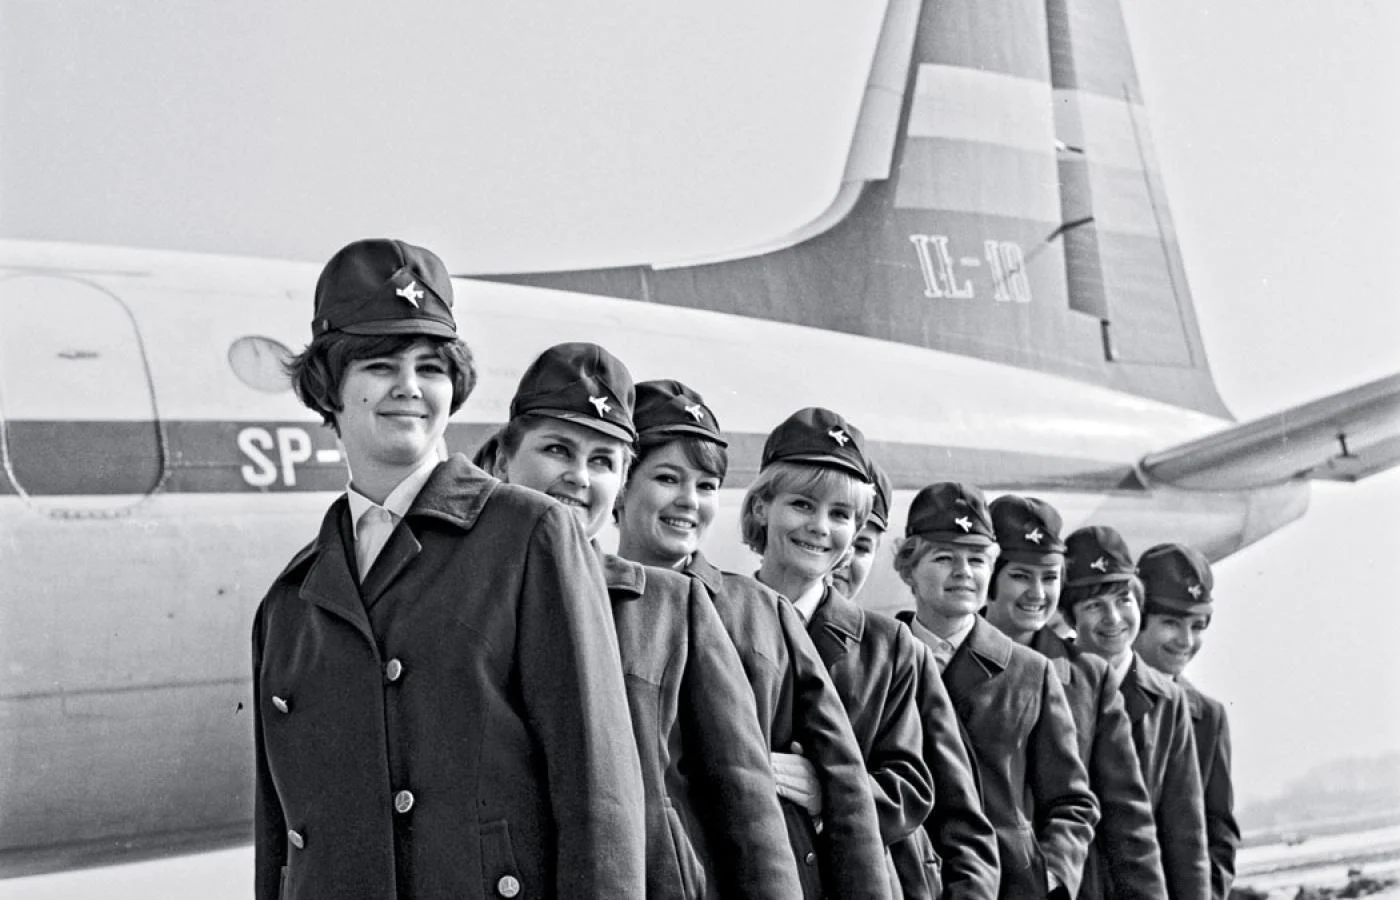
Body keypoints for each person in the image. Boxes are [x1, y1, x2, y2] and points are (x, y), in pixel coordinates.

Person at [251, 239, 646, 899]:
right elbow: (280, 843)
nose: (409, 387)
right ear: (330, 388)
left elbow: (598, 794)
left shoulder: (530, 537)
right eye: (379, 364)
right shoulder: (291, 600)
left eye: (430, 366)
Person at [487, 348, 799, 899]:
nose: (578, 477)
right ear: (504, 459)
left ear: (622, 479)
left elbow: (749, 812)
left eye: (604, 461)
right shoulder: (456, 598)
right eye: (557, 449)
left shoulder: (673, 607)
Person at [614, 381, 889, 900]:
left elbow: (849, 792)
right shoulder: (576, 603)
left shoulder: (765, 614)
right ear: (624, 483)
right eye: (667, 478)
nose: (688, 502)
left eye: (706, 486)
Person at [747, 411, 936, 899]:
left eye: (841, 515)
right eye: (802, 504)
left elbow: (910, 786)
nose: (820, 527)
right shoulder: (710, 614)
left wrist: (829, 791)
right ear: (762, 507)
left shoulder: (888, 646)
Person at [894, 482, 1099, 900]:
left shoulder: (1030, 673)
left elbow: (1072, 801)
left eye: (976, 559)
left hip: (1010, 886)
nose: (963, 572)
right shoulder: (879, 658)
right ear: (908, 568)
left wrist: (1049, 875)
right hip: (904, 879)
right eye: (944, 557)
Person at [833, 461, 1001, 900]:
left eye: (862, 544)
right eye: (945, 557)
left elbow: (958, 813)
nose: (841, 554)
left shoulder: (896, 651)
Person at [986, 496, 1167, 900]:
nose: (1037, 593)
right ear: (991, 577)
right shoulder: (936, 666)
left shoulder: (1089, 679)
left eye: (1049, 578)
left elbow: (1129, 822)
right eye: (1020, 576)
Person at [1062, 526, 1210, 900]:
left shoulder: (1168, 701)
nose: (1113, 618)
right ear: (1069, 615)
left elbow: (1185, 836)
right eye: (1095, 605)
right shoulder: (1049, 684)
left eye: (1123, 599)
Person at [1134, 544, 1240, 900]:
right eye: (1170, 623)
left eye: (1197, 626)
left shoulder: (1208, 718)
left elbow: (1219, 832)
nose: (1186, 641)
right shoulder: (1090, 696)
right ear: (1138, 616)